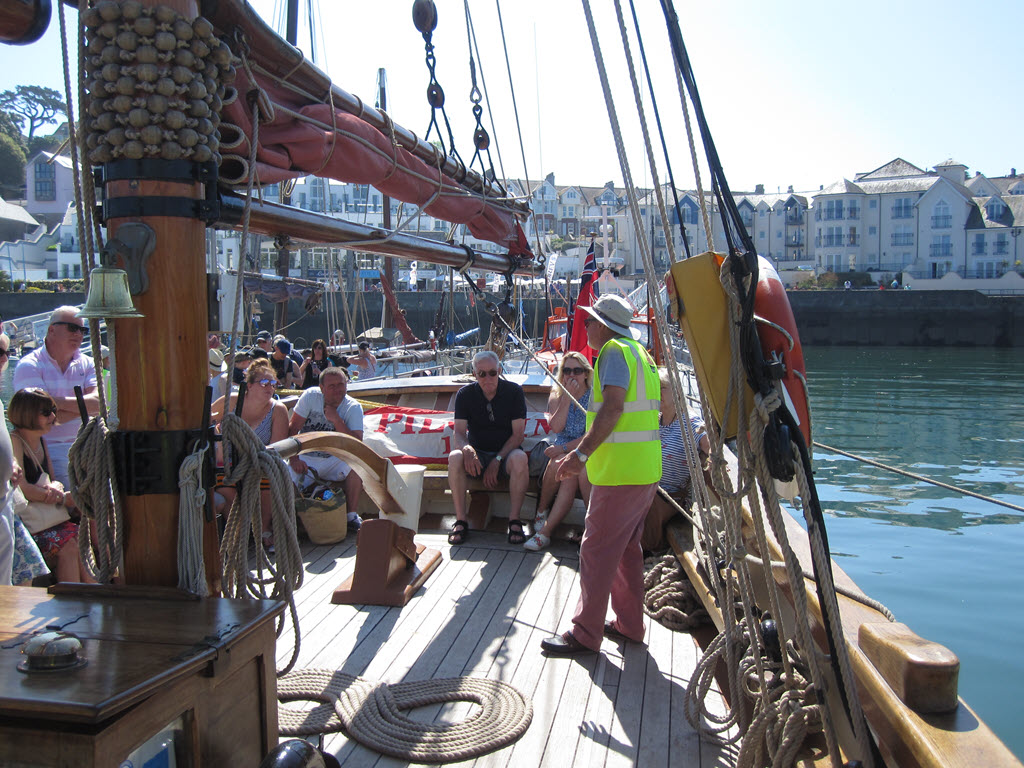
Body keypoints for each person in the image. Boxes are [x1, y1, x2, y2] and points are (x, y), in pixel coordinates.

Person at [541, 294, 661, 655]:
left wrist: (579, 455)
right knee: (626, 551)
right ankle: (629, 625)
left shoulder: (612, 352)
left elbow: (612, 409)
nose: (587, 326)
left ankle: (585, 633)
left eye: (590, 320)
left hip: (620, 473)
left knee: (594, 550)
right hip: (643, 470)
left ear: (604, 325)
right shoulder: (643, 356)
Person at [8, 388, 96, 584]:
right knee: (69, 546)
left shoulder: (41, 440)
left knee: (81, 537)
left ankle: (95, 593)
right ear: (27, 414)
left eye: (53, 410)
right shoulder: (15, 441)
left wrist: (59, 491)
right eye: (46, 412)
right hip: (31, 525)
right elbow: (23, 489)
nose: (53, 416)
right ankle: (75, 600)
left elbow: (52, 480)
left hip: (48, 519)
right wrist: (62, 498)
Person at [447, 351, 529, 545]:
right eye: (481, 374)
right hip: (478, 455)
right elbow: (459, 432)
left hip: (506, 456)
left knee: (520, 459)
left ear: (499, 371)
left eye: (492, 373)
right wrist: (467, 450)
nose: (488, 378)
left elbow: (518, 435)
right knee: (454, 457)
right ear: (474, 375)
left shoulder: (514, 392)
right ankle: (460, 520)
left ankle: (515, 520)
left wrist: (497, 460)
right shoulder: (465, 395)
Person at [12, 306, 100, 488]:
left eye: (82, 330)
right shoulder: (29, 366)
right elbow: (37, 419)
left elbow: (99, 403)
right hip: (49, 451)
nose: (79, 334)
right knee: (81, 505)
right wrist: (85, 408)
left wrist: (55, 403)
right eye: (72, 328)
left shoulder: (89, 363)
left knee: (106, 504)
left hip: (90, 447)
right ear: (52, 329)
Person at [210, 360, 289, 551]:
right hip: (227, 462)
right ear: (250, 385)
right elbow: (207, 420)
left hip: (259, 461)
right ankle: (238, 535)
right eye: (264, 383)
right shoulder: (231, 402)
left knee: (267, 477)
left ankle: (263, 530)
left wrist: (252, 458)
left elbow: (276, 447)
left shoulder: (278, 410)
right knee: (225, 483)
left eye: (273, 384)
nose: (269, 387)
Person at [523, 351, 594, 552]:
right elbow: (556, 427)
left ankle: (546, 532)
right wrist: (566, 398)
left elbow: (592, 435)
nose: (572, 375)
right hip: (561, 447)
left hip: (582, 447)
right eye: (567, 370)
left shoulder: (594, 398)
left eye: (577, 371)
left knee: (567, 466)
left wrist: (564, 449)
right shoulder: (557, 395)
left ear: (586, 374)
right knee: (563, 466)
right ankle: (542, 512)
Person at [640, 368, 711, 552]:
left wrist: (712, 462)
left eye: (661, 387)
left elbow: (711, 451)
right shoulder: (654, 419)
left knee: (638, 504)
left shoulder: (692, 424)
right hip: (649, 487)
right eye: (653, 387)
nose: (656, 392)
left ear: (677, 391)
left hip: (672, 497)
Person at [287, 367, 364, 531]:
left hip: (334, 458)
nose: (337, 390)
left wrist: (337, 420)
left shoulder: (353, 407)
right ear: (322, 388)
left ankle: (351, 516)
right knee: (284, 477)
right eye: (332, 386)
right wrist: (294, 459)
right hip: (306, 456)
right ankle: (296, 522)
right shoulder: (310, 397)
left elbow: (357, 444)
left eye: (341, 384)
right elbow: (292, 429)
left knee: (357, 467)